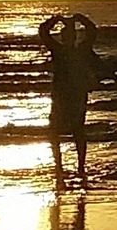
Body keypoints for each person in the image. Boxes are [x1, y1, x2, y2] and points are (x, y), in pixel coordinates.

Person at [39, 12, 101, 187]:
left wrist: (58, 20)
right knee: (68, 132)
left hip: (69, 95)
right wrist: (78, 19)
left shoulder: (65, 50)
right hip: (66, 96)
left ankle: (72, 167)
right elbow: (91, 30)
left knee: (71, 132)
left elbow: (44, 32)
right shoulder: (73, 50)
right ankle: (66, 166)